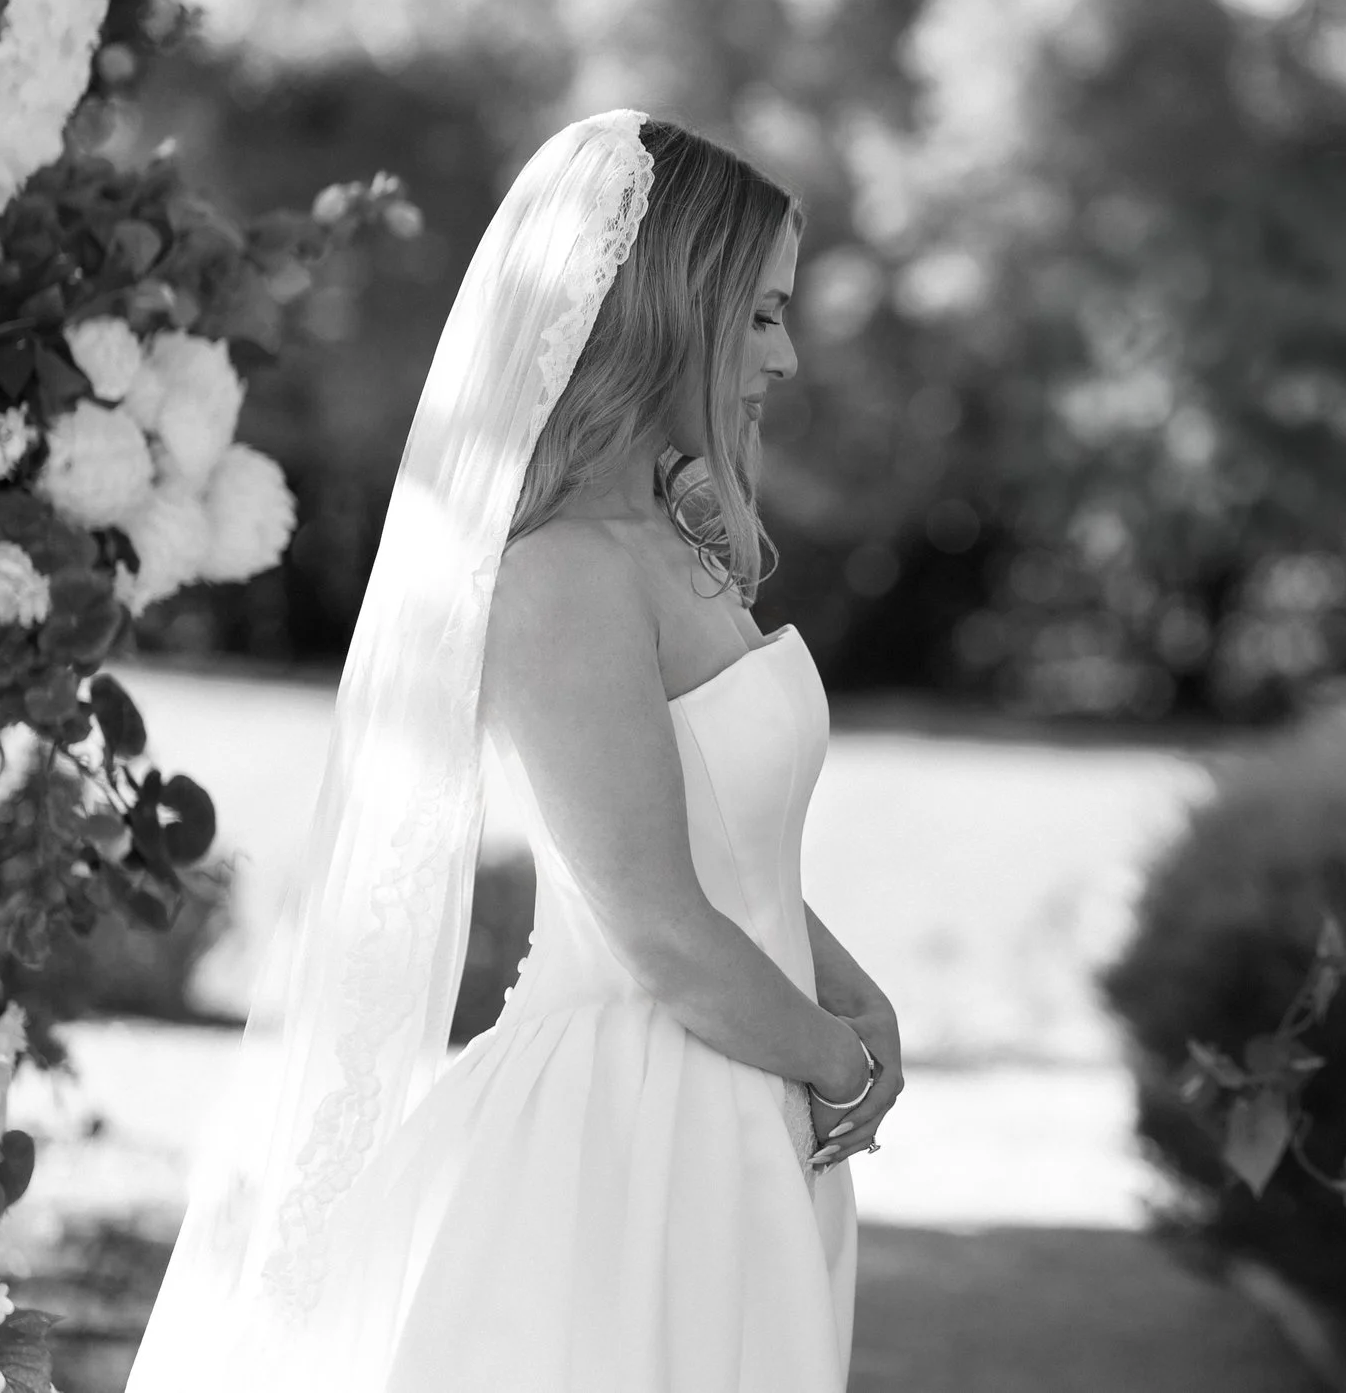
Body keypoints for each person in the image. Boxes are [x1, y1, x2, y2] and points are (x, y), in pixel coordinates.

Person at [128, 113, 901, 1392]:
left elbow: (714, 834)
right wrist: (840, 1063)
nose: (787, 351)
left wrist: (845, 985)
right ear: (673, 308)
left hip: (747, 1090)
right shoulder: (562, 576)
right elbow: (653, 922)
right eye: (759, 314)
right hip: (634, 1124)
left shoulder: (679, 542)